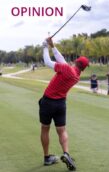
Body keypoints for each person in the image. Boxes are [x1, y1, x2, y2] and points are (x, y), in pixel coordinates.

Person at [39, 37, 89, 171]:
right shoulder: (75, 76)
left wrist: (44, 47)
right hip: (61, 104)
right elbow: (62, 60)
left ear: (75, 61)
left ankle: (47, 158)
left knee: (45, 128)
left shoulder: (67, 69)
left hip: (48, 101)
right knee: (62, 130)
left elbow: (47, 62)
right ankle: (66, 154)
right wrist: (52, 46)